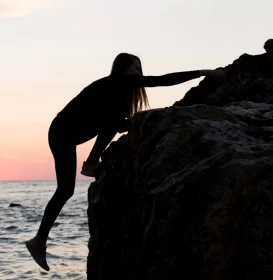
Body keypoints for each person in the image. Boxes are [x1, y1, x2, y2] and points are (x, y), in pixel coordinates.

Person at [25, 53, 227, 271]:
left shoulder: (118, 93)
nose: (139, 72)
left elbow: (116, 123)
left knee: (114, 125)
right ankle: (39, 239)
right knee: (65, 190)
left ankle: (89, 166)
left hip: (67, 131)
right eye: (135, 67)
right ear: (123, 68)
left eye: (140, 68)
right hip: (62, 132)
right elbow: (161, 80)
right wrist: (203, 73)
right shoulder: (118, 82)